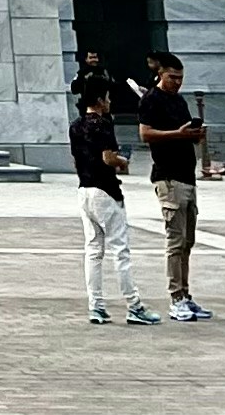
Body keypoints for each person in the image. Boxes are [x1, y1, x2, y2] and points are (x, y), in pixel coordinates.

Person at [69, 80, 158, 325]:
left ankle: (95, 305)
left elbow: (76, 160)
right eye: (107, 98)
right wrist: (123, 161)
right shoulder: (103, 124)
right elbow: (108, 158)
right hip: (106, 190)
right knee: (120, 250)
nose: (109, 102)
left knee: (93, 250)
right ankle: (134, 305)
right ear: (99, 100)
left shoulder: (75, 126)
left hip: (84, 189)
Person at [137, 56, 220, 320]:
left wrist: (193, 135)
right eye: (172, 77)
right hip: (168, 176)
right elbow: (145, 134)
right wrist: (178, 134)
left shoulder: (179, 100)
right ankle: (176, 297)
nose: (177, 82)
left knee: (187, 241)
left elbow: (183, 132)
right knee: (175, 241)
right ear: (160, 74)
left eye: (180, 77)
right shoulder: (151, 99)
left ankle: (185, 294)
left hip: (187, 175)